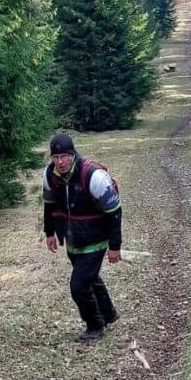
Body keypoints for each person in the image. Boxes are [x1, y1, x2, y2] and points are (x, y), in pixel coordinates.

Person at [42, 132, 122, 342]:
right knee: (90, 278)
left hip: (97, 238)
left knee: (78, 286)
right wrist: (49, 233)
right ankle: (108, 313)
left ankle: (95, 324)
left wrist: (115, 246)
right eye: (55, 157)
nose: (60, 162)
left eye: (64, 156)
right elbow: (49, 205)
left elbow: (114, 211)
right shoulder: (50, 175)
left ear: (73, 154)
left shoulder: (93, 176)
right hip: (73, 239)